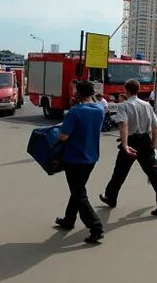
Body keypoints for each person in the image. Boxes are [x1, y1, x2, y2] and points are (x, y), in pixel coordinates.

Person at [100, 79, 157, 216]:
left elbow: (123, 125)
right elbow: (155, 126)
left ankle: (111, 197)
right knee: (154, 174)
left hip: (131, 141)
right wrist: (153, 143)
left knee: (120, 172)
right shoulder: (147, 105)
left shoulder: (124, 106)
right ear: (138, 90)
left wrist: (125, 145)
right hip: (145, 140)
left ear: (126, 90)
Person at [55, 80, 105, 244]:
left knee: (79, 193)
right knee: (78, 189)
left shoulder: (75, 112)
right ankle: (69, 220)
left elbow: (64, 136)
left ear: (78, 93)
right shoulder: (99, 109)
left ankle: (95, 226)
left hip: (75, 157)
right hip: (91, 156)